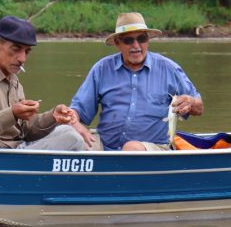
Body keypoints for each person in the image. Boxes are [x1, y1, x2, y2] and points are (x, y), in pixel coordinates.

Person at [70, 12, 204, 151]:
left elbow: (199, 108)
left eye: (141, 38)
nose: (136, 45)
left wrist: (190, 101)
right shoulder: (102, 69)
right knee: (69, 137)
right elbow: (78, 109)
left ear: (148, 40)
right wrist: (74, 123)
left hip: (153, 148)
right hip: (105, 145)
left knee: (131, 148)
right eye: (128, 40)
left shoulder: (169, 68)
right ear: (117, 43)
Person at [0, 16, 85, 151]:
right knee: (72, 139)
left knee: (67, 130)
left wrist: (53, 117)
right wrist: (12, 114)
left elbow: (25, 132)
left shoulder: (13, 80)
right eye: (16, 49)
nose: (22, 59)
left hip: (17, 150)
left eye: (27, 51)